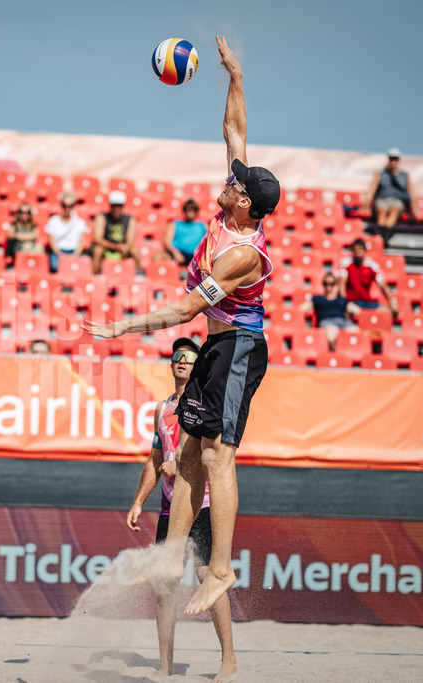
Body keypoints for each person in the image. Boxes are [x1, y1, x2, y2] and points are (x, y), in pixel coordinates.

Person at [84, 36, 278, 616]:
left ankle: (220, 568)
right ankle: (173, 556)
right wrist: (235, 78)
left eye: (235, 187)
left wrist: (123, 327)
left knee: (219, 456)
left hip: (239, 348)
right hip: (221, 349)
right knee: (189, 452)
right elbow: (234, 133)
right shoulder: (231, 208)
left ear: (246, 206)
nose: (227, 182)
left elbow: (186, 311)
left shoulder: (243, 252)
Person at [126, 337, 236, 680]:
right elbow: (155, 458)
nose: (182, 361)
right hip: (170, 507)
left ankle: (228, 661)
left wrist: (179, 465)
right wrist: (138, 500)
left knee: (209, 578)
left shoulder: (205, 401)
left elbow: (208, 456)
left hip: (201, 503)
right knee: (165, 585)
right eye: (177, 356)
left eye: (189, 357)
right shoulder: (163, 408)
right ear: (171, 363)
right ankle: (165, 665)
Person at [363, 148, 415, 243]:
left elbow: (411, 194)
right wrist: (365, 207)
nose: (393, 161)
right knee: (382, 209)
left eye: (395, 159)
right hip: (382, 199)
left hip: (397, 201)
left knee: (395, 209)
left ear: (398, 160)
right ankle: (384, 234)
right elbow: (371, 190)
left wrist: (414, 212)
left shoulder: (404, 175)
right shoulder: (380, 174)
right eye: (391, 159)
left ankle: (382, 235)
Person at [300, 273, 360, 350]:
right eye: (326, 283)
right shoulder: (317, 299)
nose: (328, 286)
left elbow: (357, 310)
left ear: (335, 284)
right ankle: (334, 357)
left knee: (357, 332)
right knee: (331, 334)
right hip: (327, 322)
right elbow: (301, 309)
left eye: (331, 284)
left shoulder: (341, 300)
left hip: (343, 322)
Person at [337, 239, 398, 315]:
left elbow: (382, 285)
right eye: (355, 249)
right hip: (352, 302)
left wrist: (392, 301)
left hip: (367, 303)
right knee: (352, 310)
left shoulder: (371, 264)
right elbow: (342, 283)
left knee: (389, 312)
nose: (358, 252)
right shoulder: (346, 263)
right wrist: (344, 303)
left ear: (365, 250)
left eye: (360, 249)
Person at [91, 190, 142, 275]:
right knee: (97, 250)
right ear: (111, 206)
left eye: (119, 206)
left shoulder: (130, 219)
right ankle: (95, 277)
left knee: (135, 252)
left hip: (122, 248)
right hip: (106, 247)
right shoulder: (102, 217)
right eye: (114, 206)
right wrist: (115, 246)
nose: (117, 209)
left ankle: (138, 276)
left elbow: (130, 241)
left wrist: (123, 247)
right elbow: (97, 239)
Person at [44, 192, 90, 272]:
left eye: (70, 206)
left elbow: (81, 243)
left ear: (73, 206)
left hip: (74, 252)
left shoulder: (79, 222)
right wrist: (60, 255)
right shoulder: (54, 220)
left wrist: (74, 255)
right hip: (58, 252)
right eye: (65, 205)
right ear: (61, 205)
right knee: (55, 266)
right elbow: (52, 242)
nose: (67, 208)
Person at [161, 199, 207, 266]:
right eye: (188, 209)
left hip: (196, 256)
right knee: (160, 257)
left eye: (193, 209)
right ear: (184, 210)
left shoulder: (203, 225)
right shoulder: (174, 223)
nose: (191, 212)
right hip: (178, 254)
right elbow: (166, 241)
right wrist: (175, 253)